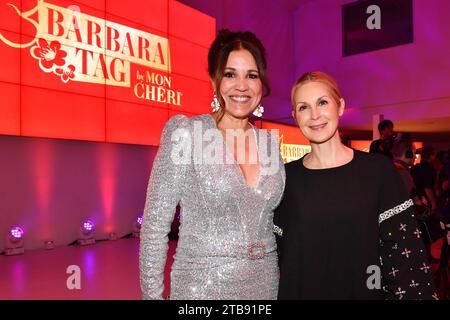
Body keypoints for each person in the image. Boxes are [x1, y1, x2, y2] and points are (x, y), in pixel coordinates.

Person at [139, 29, 285, 300]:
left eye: (251, 75)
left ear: (261, 83)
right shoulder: (187, 133)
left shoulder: (269, 144)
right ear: (214, 81)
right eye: (230, 74)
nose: (241, 85)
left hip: (264, 286)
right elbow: (155, 226)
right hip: (202, 289)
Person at [274, 71, 437, 299]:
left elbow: (404, 256)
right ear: (294, 116)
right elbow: (275, 256)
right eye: (303, 107)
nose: (314, 115)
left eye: (322, 102)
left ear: (339, 106)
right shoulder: (283, 179)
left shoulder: (378, 171)